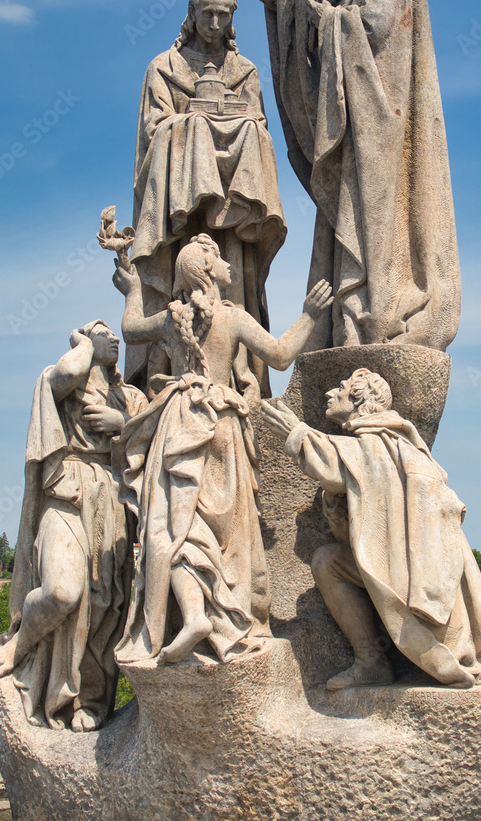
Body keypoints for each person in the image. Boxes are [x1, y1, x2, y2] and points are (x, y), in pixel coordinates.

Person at [262, 369, 481, 690]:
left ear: (360, 399)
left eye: (340, 387)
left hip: (419, 577)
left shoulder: (382, 445)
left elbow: (337, 464)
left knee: (471, 633)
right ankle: (372, 662)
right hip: (405, 570)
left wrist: (298, 433)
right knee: (329, 560)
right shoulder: (384, 445)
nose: (329, 392)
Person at [237, 0, 460, 351]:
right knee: (343, 219)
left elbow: (380, 28)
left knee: (374, 219)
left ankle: (373, 318)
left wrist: (330, 19)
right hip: (349, 119)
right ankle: (345, 327)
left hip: (380, 118)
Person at [113, 234, 332, 666]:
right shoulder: (234, 318)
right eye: (221, 258)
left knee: (179, 528)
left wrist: (133, 290)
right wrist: (308, 316)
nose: (231, 264)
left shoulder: (171, 317)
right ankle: (225, 616)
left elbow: (129, 330)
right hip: (222, 424)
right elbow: (282, 355)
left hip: (179, 422)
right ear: (206, 268)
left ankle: (195, 615)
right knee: (226, 532)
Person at [128, 0, 287, 397]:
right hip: (180, 217)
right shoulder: (164, 67)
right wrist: (195, 126)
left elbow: (261, 127)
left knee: (233, 290)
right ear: (192, 14)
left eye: (224, 14)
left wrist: (236, 125)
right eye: (207, 13)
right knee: (194, 124)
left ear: (233, 18)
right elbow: (153, 131)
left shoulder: (244, 71)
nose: (215, 23)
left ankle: (240, 377)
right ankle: (170, 378)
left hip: (235, 222)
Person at [0, 322, 148, 731]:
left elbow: (157, 440)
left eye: (115, 334)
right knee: (62, 591)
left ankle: (90, 701)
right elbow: (67, 373)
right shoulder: (64, 386)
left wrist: (121, 424)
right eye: (103, 331)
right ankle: (19, 646)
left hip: (111, 498)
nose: (114, 338)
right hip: (67, 490)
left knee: (104, 605)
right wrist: (82, 342)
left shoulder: (130, 397)